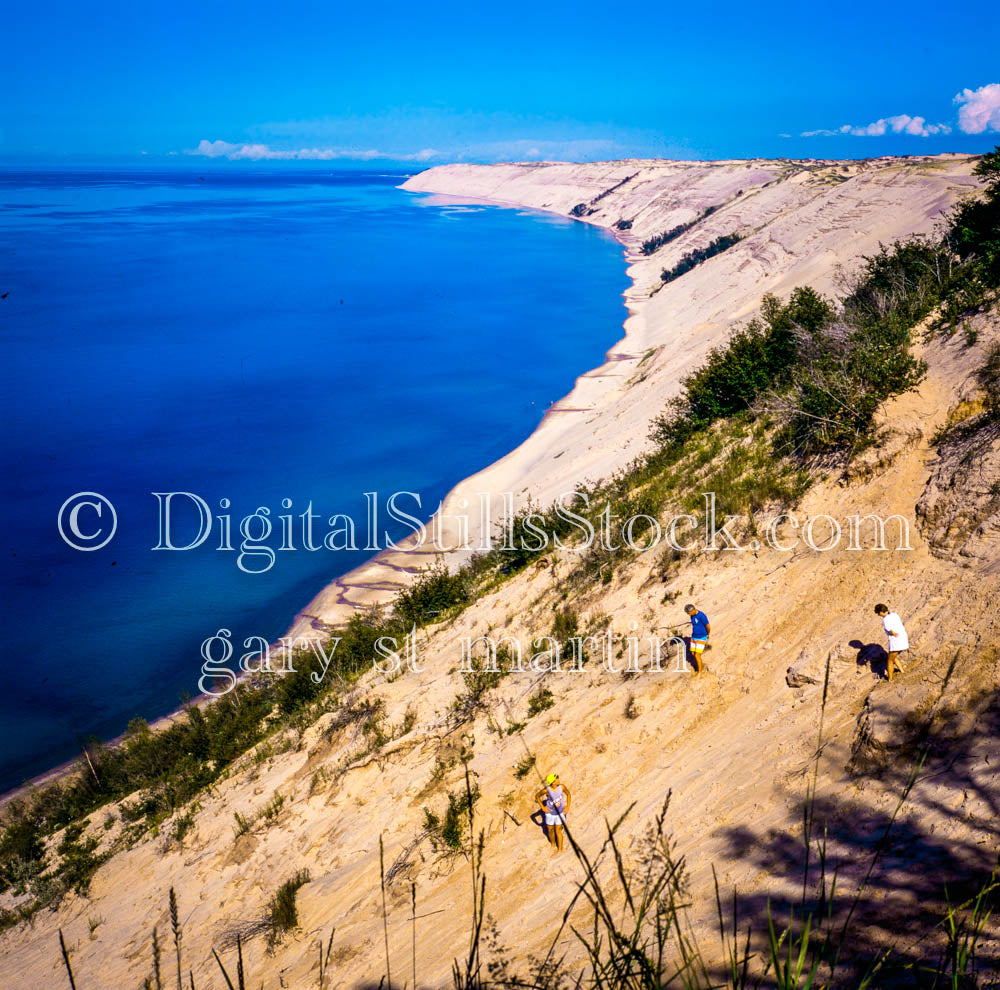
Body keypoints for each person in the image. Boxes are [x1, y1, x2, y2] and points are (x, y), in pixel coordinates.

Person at [536, 772, 571, 854]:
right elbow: (537, 796)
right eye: (557, 779)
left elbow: (568, 794)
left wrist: (568, 806)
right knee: (550, 830)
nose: (558, 780)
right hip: (550, 814)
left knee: (558, 830)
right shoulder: (546, 790)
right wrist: (542, 807)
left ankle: (560, 849)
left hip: (560, 813)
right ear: (553, 782)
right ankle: (553, 844)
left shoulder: (562, 787)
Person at [874, 604, 908, 681]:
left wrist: (893, 634)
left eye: (878, 613)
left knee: (889, 660)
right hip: (903, 638)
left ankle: (890, 679)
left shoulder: (885, 619)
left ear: (881, 612)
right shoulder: (894, 614)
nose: (879, 615)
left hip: (896, 641)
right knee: (893, 656)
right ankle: (902, 671)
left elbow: (891, 631)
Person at [685, 604, 710, 673]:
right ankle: (699, 666)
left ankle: (700, 672)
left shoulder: (702, 616)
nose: (688, 614)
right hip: (694, 637)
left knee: (697, 655)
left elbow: (708, 626)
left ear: (693, 610)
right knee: (693, 653)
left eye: (688, 613)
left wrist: (708, 634)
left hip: (701, 637)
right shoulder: (692, 615)